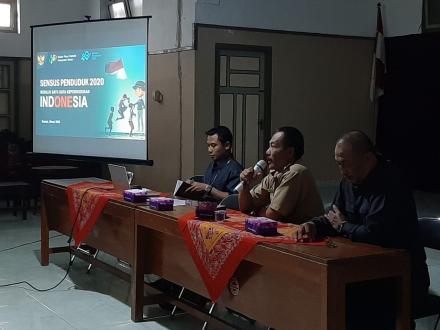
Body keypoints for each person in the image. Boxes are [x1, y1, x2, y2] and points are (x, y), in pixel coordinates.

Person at [295, 130, 430, 329]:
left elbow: (375, 234)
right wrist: (314, 225)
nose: (341, 170)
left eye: (345, 163)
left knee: (345, 301)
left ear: (368, 159)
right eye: (338, 164)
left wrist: (343, 226)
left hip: (398, 277)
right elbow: (334, 217)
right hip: (361, 270)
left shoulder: (391, 184)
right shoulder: (349, 182)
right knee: (316, 290)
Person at [239, 126, 324, 223]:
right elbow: (245, 207)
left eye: (273, 146)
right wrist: (245, 183)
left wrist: (257, 210)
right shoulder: (274, 175)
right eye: (269, 146)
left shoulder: (296, 171)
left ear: (290, 152)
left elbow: (271, 216)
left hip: (309, 235)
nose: (267, 152)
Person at [185, 126, 243, 201]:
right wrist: (193, 184)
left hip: (223, 211)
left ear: (227, 145)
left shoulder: (235, 170)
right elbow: (207, 184)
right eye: (208, 145)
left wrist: (208, 189)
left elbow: (234, 198)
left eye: (213, 145)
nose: (209, 150)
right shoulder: (213, 164)